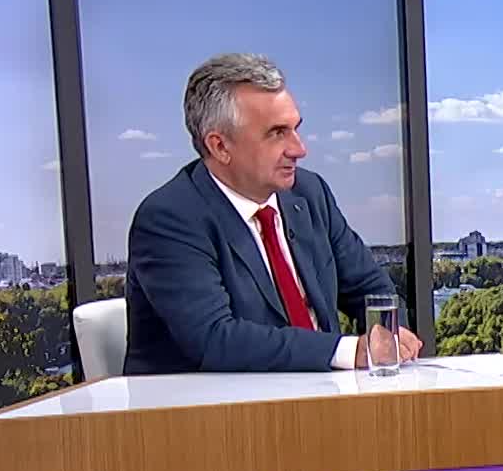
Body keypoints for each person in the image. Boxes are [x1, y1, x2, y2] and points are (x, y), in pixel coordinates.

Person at [124, 53, 423, 374]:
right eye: (277, 133)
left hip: (321, 394)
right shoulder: (169, 219)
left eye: (295, 129)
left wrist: (389, 336)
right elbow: (215, 340)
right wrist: (350, 351)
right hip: (208, 403)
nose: (299, 149)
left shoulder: (309, 194)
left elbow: (372, 289)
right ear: (220, 146)